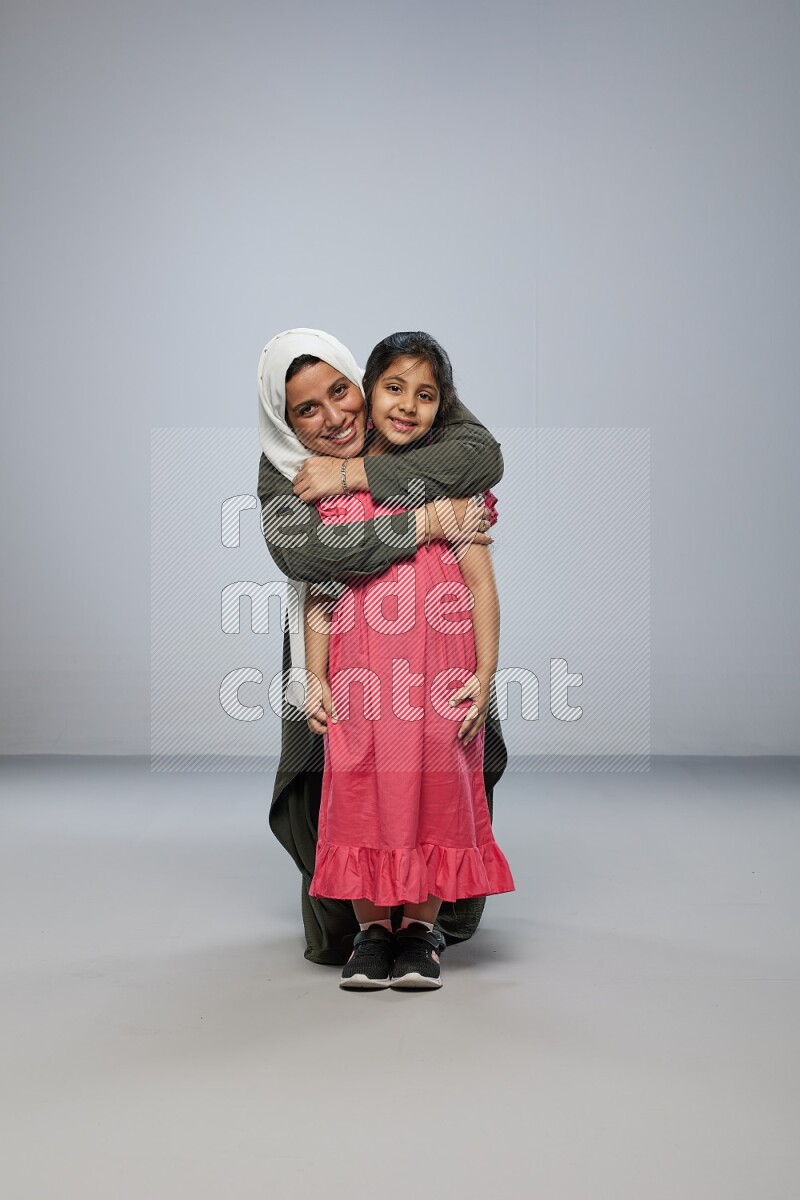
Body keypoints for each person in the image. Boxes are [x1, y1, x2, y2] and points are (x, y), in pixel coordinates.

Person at [257, 328, 507, 967]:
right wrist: (420, 520)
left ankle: (431, 922)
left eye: (341, 394)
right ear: (283, 420)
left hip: (436, 656)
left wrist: (358, 470)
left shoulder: (413, 430)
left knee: (445, 779)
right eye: (306, 410)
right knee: (337, 782)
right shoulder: (287, 470)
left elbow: (482, 456)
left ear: (358, 386)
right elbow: (309, 561)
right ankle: (358, 929)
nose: (334, 416)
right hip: (347, 653)